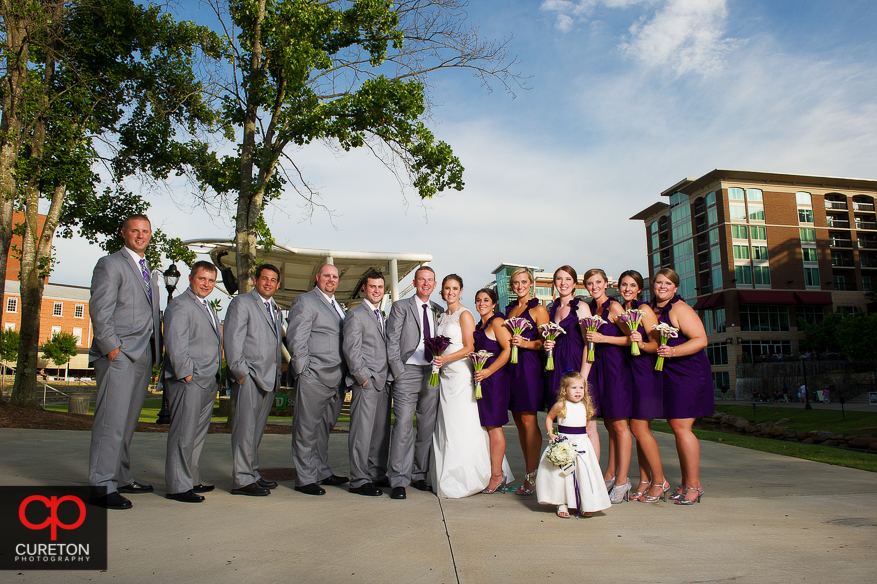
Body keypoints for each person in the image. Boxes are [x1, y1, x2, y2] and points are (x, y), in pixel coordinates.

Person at [87, 214, 162, 510]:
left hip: (143, 354)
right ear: (124, 233)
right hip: (118, 354)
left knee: (128, 422)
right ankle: (101, 485)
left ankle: (121, 475)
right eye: (135, 230)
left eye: (145, 231)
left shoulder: (149, 272)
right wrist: (112, 349)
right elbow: (100, 309)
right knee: (111, 422)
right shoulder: (111, 264)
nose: (140, 235)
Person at [430, 275, 512, 498]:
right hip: (446, 377)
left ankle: (479, 474)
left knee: (466, 424)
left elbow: (470, 347)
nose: (450, 292)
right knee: (449, 425)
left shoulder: (465, 315)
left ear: (461, 290)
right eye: (447, 288)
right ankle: (450, 472)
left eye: (455, 288)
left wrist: (445, 359)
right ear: (442, 291)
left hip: (462, 376)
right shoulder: (442, 317)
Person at [651, 268, 714, 505]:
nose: (663, 286)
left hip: (689, 371)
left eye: (668, 283)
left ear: (676, 288)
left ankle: (694, 485)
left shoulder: (680, 309)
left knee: (682, 427)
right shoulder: (654, 309)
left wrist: (673, 351)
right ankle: (687, 482)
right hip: (669, 372)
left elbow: (701, 340)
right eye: (659, 282)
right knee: (676, 426)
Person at [163, 261, 223, 503]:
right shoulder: (180, 305)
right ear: (190, 278)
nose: (206, 284)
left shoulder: (208, 306)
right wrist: (187, 374)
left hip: (208, 380)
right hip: (190, 380)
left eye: (210, 280)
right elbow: (176, 344)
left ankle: (191, 479)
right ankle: (177, 486)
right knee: (183, 434)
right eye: (202, 279)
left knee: (196, 434)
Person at [287, 263, 349, 496]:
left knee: (324, 429)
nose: (331, 279)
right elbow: (296, 340)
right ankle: (305, 478)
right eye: (327, 276)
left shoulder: (337, 306)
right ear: (317, 277)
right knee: (306, 428)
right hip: (314, 376)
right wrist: (304, 371)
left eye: (334, 276)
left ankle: (321, 470)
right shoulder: (306, 301)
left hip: (336, 378)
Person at [224, 264, 283, 496]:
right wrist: (241, 374)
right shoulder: (242, 303)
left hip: (269, 377)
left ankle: (252, 473)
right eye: (264, 279)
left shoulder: (273, 308)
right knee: (244, 430)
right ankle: (241, 480)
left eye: (273, 280)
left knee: (256, 430)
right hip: (249, 377)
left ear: (278, 284)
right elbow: (233, 339)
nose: (268, 283)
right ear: (256, 281)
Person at [385, 266, 443, 500]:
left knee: (427, 426)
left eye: (430, 280)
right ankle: (399, 479)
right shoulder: (401, 307)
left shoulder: (438, 310)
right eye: (422, 279)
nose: (426, 283)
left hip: (432, 373)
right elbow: (392, 341)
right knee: (403, 425)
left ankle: (419, 475)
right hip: (407, 372)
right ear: (415, 282)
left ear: (434, 284)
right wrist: (398, 372)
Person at [617, 270, 669, 504]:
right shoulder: (623, 312)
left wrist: (639, 342)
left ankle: (660, 481)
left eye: (632, 285)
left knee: (639, 429)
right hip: (630, 372)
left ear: (640, 289)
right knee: (638, 429)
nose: (627, 289)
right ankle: (645, 481)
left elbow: (655, 344)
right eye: (624, 285)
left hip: (645, 372)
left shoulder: (645, 310)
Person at [583, 268, 633, 503]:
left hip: (617, 369)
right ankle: (611, 474)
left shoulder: (614, 307)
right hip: (600, 369)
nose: (594, 287)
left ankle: (623, 481)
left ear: (605, 284)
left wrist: (603, 339)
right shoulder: (593, 310)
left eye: (598, 282)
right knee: (610, 426)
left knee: (621, 426)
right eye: (590, 283)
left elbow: (631, 337)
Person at [342, 269, 391, 497]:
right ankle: (359, 480)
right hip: (367, 382)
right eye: (373, 286)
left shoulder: (382, 315)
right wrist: (363, 379)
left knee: (380, 432)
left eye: (380, 287)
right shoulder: (356, 314)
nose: (377, 291)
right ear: (365, 288)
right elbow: (351, 350)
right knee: (362, 432)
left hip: (383, 382)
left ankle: (376, 474)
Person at [535, 371, 611, 518]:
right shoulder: (561, 405)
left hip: (581, 443)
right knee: (562, 474)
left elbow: (585, 423)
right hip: (564, 442)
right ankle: (561, 503)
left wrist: (583, 439)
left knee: (582, 474)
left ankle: (584, 503)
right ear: (565, 390)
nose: (578, 391)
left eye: (581, 388)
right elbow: (549, 418)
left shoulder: (585, 405)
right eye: (574, 388)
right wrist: (551, 433)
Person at [542, 266, 599, 461]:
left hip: (577, 367)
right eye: (559, 279)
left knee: (588, 425)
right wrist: (547, 345)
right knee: (564, 421)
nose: (563, 283)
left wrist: (582, 378)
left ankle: (592, 481)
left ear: (575, 283)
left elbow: (589, 344)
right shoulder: (552, 309)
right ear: (555, 283)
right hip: (557, 369)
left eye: (568, 279)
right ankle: (569, 473)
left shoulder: (581, 307)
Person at [503, 267, 548, 496]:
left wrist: (525, 344)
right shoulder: (510, 310)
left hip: (530, 367)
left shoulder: (539, 309)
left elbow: (546, 343)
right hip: (512, 368)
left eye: (523, 282)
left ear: (531, 283)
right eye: (516, 283)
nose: (519, 286)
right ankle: (529, 474)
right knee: (519, 420)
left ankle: (533, 475)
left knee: (530, 421)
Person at [473, 288, 513, 493]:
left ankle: (497, 475)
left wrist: (488, 371)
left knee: (494, 427)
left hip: (495, 380)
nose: (482, 303)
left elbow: (508, 349)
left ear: (494, 303)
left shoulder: (497, 322)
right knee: (488, 427)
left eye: (486, 300)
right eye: (478, 300)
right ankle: (493, 472)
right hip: (483, 380)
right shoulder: (480, 325)